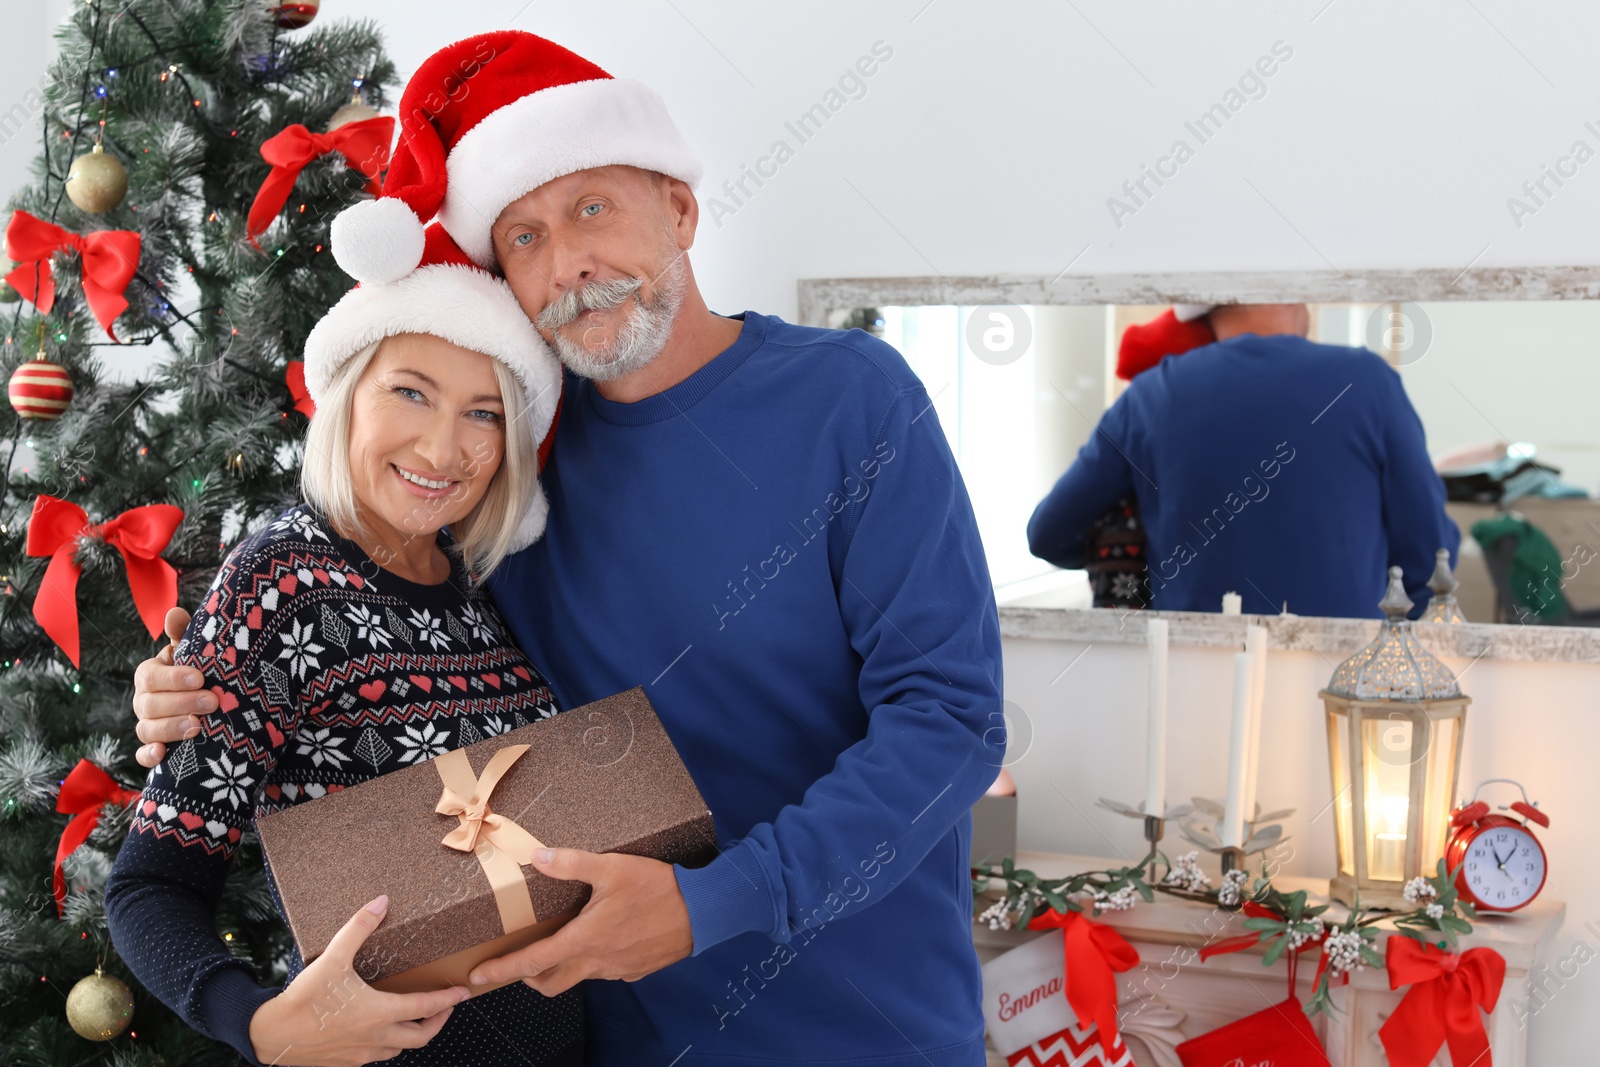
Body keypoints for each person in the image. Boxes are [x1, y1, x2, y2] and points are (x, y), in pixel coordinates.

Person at [130, 30, 1004, 1067]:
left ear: (678, 209)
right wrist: (183, 690)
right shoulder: (505, 468)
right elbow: (345, 606)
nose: (570, 264)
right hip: (613, 1032)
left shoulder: (852, 398)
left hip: (865, 1026)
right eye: (525, 237)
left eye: (593, 208)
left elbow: (948, 719)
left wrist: (713, 902)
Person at [106, 225, 580, 1066]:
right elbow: (151, 885)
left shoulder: (473, 578)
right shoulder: (281, 582)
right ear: (348, 392)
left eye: (484, 412)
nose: (444, 448)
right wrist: (257, 1025)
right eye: (411, 392)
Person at [1027, 303, 1460, 617]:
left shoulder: (1151, 395)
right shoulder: (1368, 382)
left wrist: (1138, 540)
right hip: (1345, 688)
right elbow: (1431, 556)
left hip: (1192, 682)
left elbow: (1049, 533)